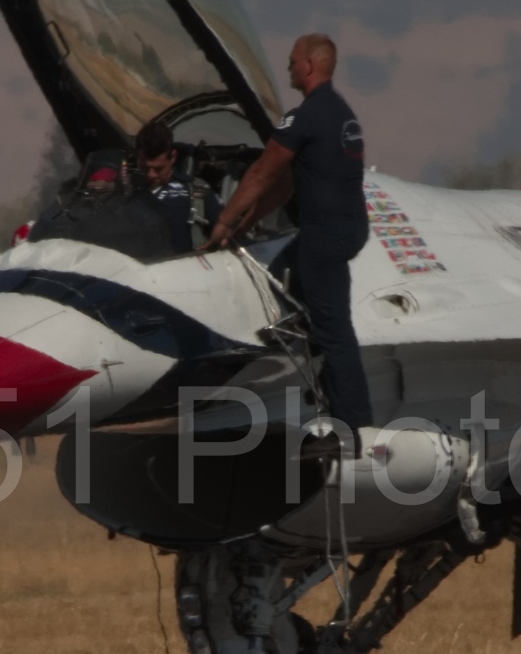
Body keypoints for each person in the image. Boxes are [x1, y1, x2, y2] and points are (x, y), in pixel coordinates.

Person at [206, 33, 373, 432]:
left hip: (324, 236)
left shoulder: (305, 116)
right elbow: (287, 184)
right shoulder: (341, 113)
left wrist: (225, 222)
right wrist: (251, 220)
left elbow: (262, 171)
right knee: (289, 283)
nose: (288, 67)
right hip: (348, 230)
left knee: (335, 332)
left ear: (310, 66)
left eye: (293, 61)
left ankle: (354, 426)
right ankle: (311, 376)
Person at [133, 120, 219, 254]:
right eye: (144, 167)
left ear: (172, 157)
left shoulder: (197, 192)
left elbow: (225, 230)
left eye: (158, 168)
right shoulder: (124, 188)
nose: (151, 175)